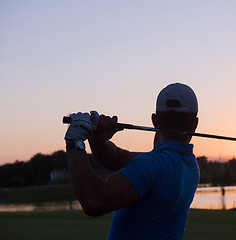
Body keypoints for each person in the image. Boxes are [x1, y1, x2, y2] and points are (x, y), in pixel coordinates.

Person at [64, 83, 199, 239]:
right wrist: (98, 141)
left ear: (154, 120)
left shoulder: (153, 165)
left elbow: (94, 201)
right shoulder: (189, 164)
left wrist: (75, 141)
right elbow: (116, 159)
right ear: (195, 124)